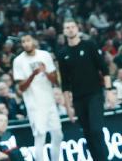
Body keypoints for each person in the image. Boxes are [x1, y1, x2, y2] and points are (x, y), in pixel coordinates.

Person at [56, 19, 110, 161]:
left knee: (96, 130)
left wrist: (109, 91)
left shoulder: (89, 45)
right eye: (67, 27)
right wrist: (68, 107)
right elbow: (65, 83)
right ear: (64, 31)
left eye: (72, 26)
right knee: (88, 134)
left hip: (95, 94)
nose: (70, 29)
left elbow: (104, 69)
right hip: (78, 99)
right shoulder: (62, 54)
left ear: (77, 28)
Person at [12, 34, 63, 161]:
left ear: (34, 41)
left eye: (28, 40)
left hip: (49, 102)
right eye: (23, 42)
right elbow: (21, 88)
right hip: (34, 104)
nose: (26, 44)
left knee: (58, 134)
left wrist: (45, 71)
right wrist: (33, 75)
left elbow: (56, 81)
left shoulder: (45, 55)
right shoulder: (18, 61)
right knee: (40, 137)